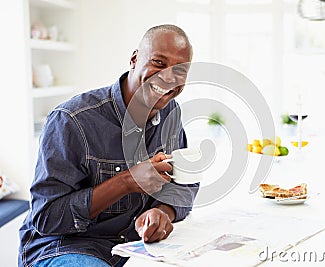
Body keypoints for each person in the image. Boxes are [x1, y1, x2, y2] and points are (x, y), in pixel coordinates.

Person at [18, 24, 199, 267]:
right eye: (158, 62)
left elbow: (184, 183)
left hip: (133, 246)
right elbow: (47, 217)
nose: (169, 77)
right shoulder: (71, 120)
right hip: (65, 247)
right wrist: (126, 182)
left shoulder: (170, 113)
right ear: (134, 59)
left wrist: (163, 212)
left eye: (180, 70)